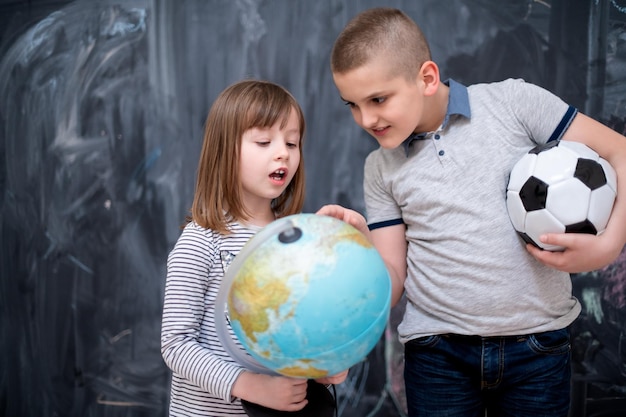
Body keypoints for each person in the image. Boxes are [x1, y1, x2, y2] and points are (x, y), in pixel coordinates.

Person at [317, 7, 626, 417]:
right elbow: (393, 279)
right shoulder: (380, 167)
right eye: (352, 105)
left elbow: (619, 149)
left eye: (377, 99)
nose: (366, 119)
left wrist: (607, 247)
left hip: (537, 346)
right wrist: (362, 246)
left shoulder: (514, 102)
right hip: (437, 356)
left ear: (426, 78)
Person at [161, 79, 347, 417]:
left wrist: (322, 366)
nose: (283, 153)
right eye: (264, 141)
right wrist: (249, 385)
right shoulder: (201, 240)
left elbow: (293, 332)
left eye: (292, 143)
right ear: (224, 151)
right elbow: (176, 345)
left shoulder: (295, 240)